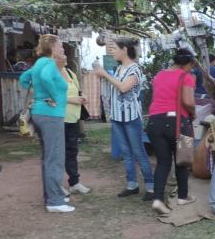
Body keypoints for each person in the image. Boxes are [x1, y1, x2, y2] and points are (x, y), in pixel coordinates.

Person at [19, 34, 73, 213]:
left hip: (39, 113)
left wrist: (39, 94)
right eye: (60, 45)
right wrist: (54, 96)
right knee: (55, 158)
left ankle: (51, 196)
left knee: (47, 158)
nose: (62, 48)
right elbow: (46, 77)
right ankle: (55, 201)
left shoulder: (38, 63)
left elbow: (24, 80)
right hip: (51, 115)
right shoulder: (49, 64)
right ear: (53, 48)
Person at [94, 38, 154, 198]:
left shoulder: (135, 69)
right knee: (126, 152)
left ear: (125, 49)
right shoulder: (119, 68)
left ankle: (150, 187)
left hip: (131, 117)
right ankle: (132, 184)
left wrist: (105, 74)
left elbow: (123, 87)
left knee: (138, 151)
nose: (111, 51)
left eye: (114, 48)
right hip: (117, 116)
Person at [146, 47, 196, 215]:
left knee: (163, 162)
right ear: (187, 64)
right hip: (177, 122)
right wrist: (194, 112)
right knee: (183, 160)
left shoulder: (159, 75)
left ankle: (158, 199)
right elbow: (187, 101)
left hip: (154, 122)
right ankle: (183, 196)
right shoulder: (186, 76)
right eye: (191, 65)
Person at [58, 51, 90, 195]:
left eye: (65, 53)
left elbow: (77, 91)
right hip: (59, 118)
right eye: (62, 54)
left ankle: (74, 182)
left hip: (73, 117)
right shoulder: (52, 74)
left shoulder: (70, 72)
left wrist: (81, 97)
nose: (65, 56)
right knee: (58, 153)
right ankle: (57, 184)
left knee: (72, 151)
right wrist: (72, 100)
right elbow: (52, 96)